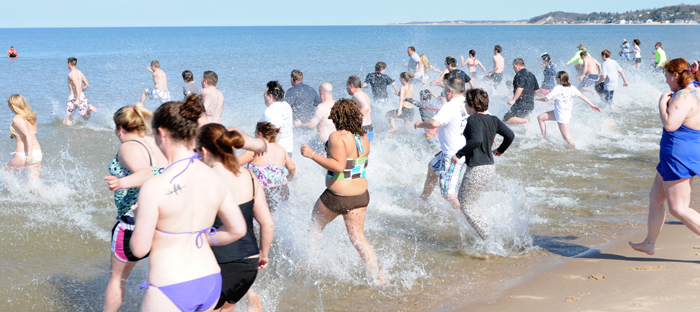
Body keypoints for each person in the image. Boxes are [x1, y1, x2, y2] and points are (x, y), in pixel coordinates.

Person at [130, 95, 247, 312]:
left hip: (170, 285)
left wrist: (138, 218)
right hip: (209, 280)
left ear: (162, 133)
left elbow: (139, 249)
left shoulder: (155, 186)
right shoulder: (215, 177)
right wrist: (202, 236)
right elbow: (238, 229)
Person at [299, 98, 385, 285]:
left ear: (337, 117)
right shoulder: (362, 136)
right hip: (360, 196)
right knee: (358, 238)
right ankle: (377, 276)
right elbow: (352, 163)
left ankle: (309, 268)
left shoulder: (337, 137)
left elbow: (338, 166)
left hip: (337, 197)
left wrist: (311, 154)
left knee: (314, 228)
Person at [196, 123, 274, 312]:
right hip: (249, 263)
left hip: (218, 262)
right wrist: (263, 255)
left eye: (197, 151)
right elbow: (267, 223)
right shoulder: (249, 176)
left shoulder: (205, 179)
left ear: (205, 151)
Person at [630, 58, 700, 256]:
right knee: (656, 199)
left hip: (678, 154)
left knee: (679, 208)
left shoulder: (684, 96)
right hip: (681, 151)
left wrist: (662, 103)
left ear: (675, 75)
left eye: (667, 76)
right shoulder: (697, 88)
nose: (667, 81)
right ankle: (649, 243)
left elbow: (670, 125)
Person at [102, 103, 168, 312]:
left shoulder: (127, 147)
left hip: (134, 222)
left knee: (117, 278)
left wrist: (121, 183)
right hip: (162, 221)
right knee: (160, 278)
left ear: (120, 128)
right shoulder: (156, 143)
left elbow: (146, 173)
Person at [451, 89, 514, 240]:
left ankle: (488, 240)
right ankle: (485, 233)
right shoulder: (493, 119)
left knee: (466, 206)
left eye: (466, 102)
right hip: (489, 167)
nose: (465, 105)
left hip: (477, 168)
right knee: (467, 202)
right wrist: (500, 150)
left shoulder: (473, 119)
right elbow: (510, 135)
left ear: (472, 104)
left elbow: (476, 140)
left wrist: (458, 154)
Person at [414, 77, 468, 211]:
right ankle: (423, 200)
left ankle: (466, 219)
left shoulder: (450, 106)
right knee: (432, 167)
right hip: (453, 150)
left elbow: (434, 123)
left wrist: (420, 124)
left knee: (448, 194)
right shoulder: (467, 102)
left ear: (449, 90)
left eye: (444, 91)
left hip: (453, 154)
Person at [238, 122, 296, 211]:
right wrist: (288, 178)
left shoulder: (256, 150)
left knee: (259, 221)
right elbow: (292, 168)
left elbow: (233, 163)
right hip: (283, 190)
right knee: (276, 219)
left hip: (266, 192)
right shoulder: (281, 149)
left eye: (255, 133)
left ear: (260, 134)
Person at [535, 71, 601, 148]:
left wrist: (538, 99)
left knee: (566, 137)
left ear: (560, 79)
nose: (555, 78)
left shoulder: (557, 88)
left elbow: (546, 99)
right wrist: (592, 105)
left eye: (556, 77)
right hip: (559, 113)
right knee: (540, 117)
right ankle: (544, 138)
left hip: (561, 115)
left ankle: (578, 148)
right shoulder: (572, 87)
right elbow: (582, 96)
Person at [7, 94, 42, 179]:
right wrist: (16, 136)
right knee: (36, 183)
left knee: (6, 175)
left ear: (13, 106)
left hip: (23, 154)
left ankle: (9, 192)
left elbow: (28, 136)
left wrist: (29, 155)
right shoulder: (31, 116)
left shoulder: (16, 119)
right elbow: (33, 133)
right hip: (37, 153)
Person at [261, 81, 294, 155]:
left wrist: (269, 149)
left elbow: (277, 129)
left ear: (270, 96)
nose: (264, 97)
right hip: (288, 149)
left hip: (276, 152)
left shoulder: (272, 109)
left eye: (265, 95)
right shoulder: (286, 105)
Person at [505, 58, 539, 124]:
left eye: (514, 66)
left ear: (517, 65)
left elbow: (520, 88)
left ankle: (527, 121)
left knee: (506, 119)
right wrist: (530, 97)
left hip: (521, 103)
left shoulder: (519, 74)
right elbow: (537, 90)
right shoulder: (531, 75)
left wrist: (513, 100)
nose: (513, 68)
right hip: (530, 104)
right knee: (518, 120)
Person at [66, 57, 97, 126]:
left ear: (69, 64)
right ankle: (89, 109)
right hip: (82, 95)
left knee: (68, 118)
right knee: (85, 117)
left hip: (74, 97)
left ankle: (69, 134)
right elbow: (87, 84)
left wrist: (77, 99)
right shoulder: (80, 73)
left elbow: (77, 86)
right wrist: (80, 92)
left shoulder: (71, 74)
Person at [346, 76, 374, 141]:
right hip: (369, 128)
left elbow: (366, 108)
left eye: (347, 86)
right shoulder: (364, 94)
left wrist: (355, 121)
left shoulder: (357, 95)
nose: (346, 88)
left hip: (362, 128)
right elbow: (369, 109)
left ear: (352, 85)